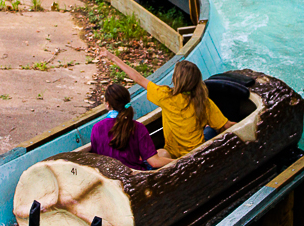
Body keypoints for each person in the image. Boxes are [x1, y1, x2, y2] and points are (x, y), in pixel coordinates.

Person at [98, 49, 235, 159]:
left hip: (173, 155)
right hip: (196, 154)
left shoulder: (166, 96)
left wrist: (112, 57)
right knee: (211, 130)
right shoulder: (204, 102)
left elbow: (138, 79)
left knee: (162, 153)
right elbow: (226, 125)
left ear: (176, 79)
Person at [90, 83, 172, 171]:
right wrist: (179, 160)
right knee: (164, 153)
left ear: (108, 104)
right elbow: (154, 162)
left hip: (110, 176)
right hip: (136, 176)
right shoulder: (138, 128)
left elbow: (97, 158)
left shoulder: (97, 128)